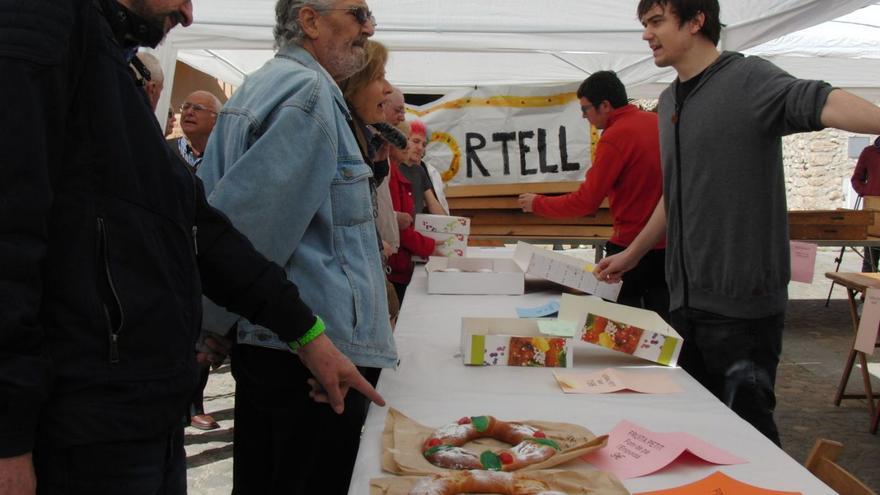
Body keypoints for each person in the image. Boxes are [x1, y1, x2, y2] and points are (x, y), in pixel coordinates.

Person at [0, 0, 382, 493]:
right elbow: (11, 239)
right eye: (358, 12)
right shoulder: (38, 28)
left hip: (140, 406)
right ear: (309, 20)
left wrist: (307, 333)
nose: (187, 13)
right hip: (89, 417)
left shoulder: (108, 64)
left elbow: (200, 225)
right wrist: (8, 434)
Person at [596, 0, 880, 446]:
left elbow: (820, 100)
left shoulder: (750, 80)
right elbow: (676, 195)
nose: (646, 35)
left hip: (742, 308)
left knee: (750, 437)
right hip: (684, 303)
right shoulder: (670, 99)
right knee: (700, 430)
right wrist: (632, 255)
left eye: (656, 22)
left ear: (695, 21)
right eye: (644, 24)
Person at [197, 1, 397, 493]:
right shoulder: (307, 96)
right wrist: (209, 333)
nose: (369, 26)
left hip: (284, 345)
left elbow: (217, 221)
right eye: (358, 13)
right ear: (309, 20)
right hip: (309, 357)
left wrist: (215, 330)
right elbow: (250, 233)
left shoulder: (268, 84)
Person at [518, 71, 668, 319]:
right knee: (662, 327)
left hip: (629, 248)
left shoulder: (615, 137)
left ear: (605, 105)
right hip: (668, 246)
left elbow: (586, 202)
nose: (584, 116)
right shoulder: (656, 123)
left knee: (621, 331)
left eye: (585, 109)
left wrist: (537, 203)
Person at [387, 121, 437, 301]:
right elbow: (398, 226)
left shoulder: (419, 170)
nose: (418, 148)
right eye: (414, 141)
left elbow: (434, 206)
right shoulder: (390, 173)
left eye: (424, 144)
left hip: (407, 258)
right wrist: (432, 246)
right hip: (396, 262)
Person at [168, 90, 222, 171]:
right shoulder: (163, 149)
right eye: (185, 107)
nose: (189, 112)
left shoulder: (225, 158)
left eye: (198, 108)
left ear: (216, 118)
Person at [408, 119, 451, 215]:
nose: (420, 148)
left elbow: (442, 217)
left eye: (423, 144)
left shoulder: (431, 172)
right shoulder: (393, 169)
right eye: (415, 141)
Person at [850, 136, 880, 272]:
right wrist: (865, 191)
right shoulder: (869, 152)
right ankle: (866, 293)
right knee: (870, 261)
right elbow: (856, 179)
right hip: (873, 213)